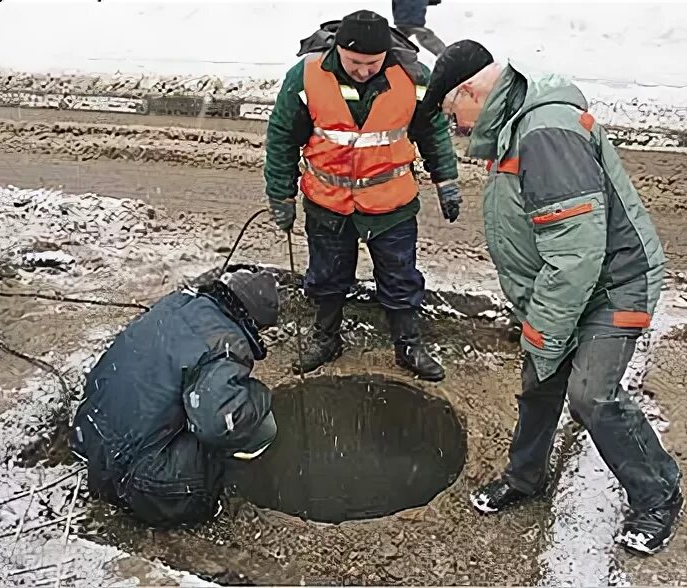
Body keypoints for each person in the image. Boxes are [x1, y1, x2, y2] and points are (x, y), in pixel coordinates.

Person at [451, 45, 683, 555]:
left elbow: (577, 253)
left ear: (470, 93)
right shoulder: (515, 122)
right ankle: (526, 476)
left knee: (590, 395)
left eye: (453, 115)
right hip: (567, 283)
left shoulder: (545, 133)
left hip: (614, 281)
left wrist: (547, 332)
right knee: (540, 380)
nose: (457, 127)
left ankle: (658, 492)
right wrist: (544, 332)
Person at [264, 9, 462, 382]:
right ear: (338, 50)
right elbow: (281, 137)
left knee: (400, 276)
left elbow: (432, 129)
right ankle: (326, 338)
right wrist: (281, 194)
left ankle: (408, 345)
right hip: (327, 203)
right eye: (355, 62)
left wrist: (446, 180)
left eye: (372, 63)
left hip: (392, 205)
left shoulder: (413, 76)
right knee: (326, 276)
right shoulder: (306, 76)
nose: (364, 70)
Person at [68, 268, 280, 527]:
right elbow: (221, 424)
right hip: (140, 484)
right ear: (254, 319)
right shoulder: (225, 341)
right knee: (259, 426)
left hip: (92, 442)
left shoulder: (176, 304)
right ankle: (201, 494)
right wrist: (260, 395)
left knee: (189, 401)